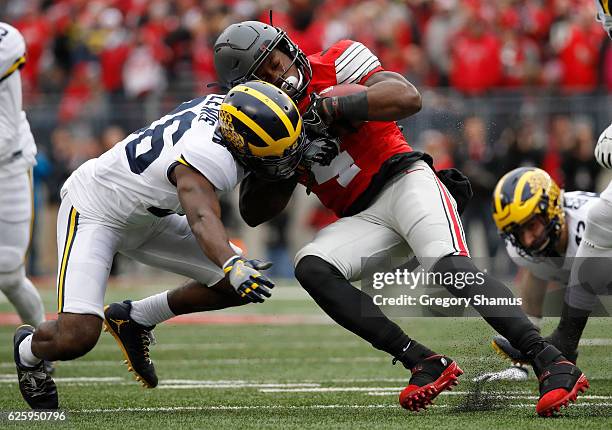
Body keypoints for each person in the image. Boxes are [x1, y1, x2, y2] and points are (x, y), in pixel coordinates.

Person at [210, 20, 589, 416]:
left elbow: (407, 97)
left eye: (278, 61)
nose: (281, 73)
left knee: (449, 267)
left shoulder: (336, 62)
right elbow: (253, 212)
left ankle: (550, 360)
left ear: (288, 47)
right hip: (362, 219)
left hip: (406, 181)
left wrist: (334, 106)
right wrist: (284, 160)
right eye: (266, 74)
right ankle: (421, 360)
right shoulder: (257, 123)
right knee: (311, 266)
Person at [12, 80, 309, 409]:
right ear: (239, 139)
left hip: (147, 216)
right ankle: (27, 351)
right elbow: (201, 218)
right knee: (76, 337)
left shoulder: (227, 108)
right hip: (94, 210)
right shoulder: (208, 155)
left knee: (237, 285)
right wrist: (231, 262)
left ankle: (135, 318)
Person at [0, 22, 47, 352]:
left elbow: (5, 129)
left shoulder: (4, 41)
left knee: (8, 272)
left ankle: (46, 343)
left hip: (8, 165)